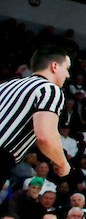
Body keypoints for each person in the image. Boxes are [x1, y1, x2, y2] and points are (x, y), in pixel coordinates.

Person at [0, 46, 71, 184]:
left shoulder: (6, 85)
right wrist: (62, 163)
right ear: (54, 66)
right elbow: (45, 136)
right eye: (67, 69)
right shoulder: (49, 89)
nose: (68, 75)